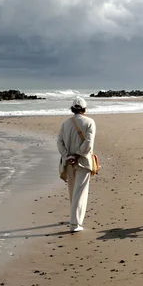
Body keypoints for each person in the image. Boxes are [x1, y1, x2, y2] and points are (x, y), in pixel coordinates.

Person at [57, 97, 96, 232]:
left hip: (68, 163)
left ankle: (74, 218)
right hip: (83, 162)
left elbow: (59, 142)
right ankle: (75, 224)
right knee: (80, 193)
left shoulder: (65, 123)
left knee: (73, 192)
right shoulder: (90, 122)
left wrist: (68, 156)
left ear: (72, 109)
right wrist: (77, 155)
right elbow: (88, 144)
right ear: (84, 109)